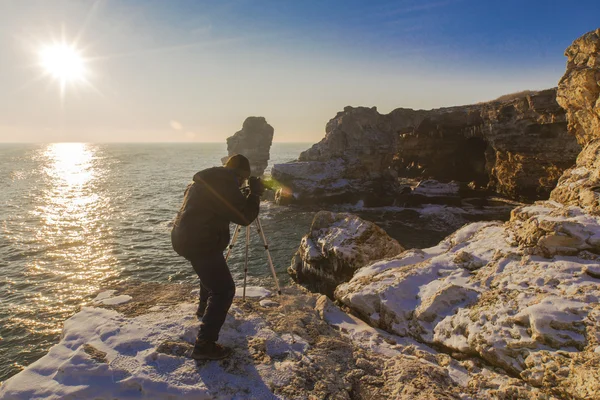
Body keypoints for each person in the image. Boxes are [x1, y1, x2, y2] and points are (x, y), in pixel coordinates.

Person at [171, 154, 264, 360]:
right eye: (242, 179)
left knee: (211, 272)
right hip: (200, 242)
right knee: (224, 290)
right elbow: (244, 217)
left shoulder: (210, 179)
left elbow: (221, 204)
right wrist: (255, 195)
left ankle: (204, 311)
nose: (241, 183)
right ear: (239, 175)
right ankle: (204, 345)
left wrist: (242, 194)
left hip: (186, 238)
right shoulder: (224, 184)